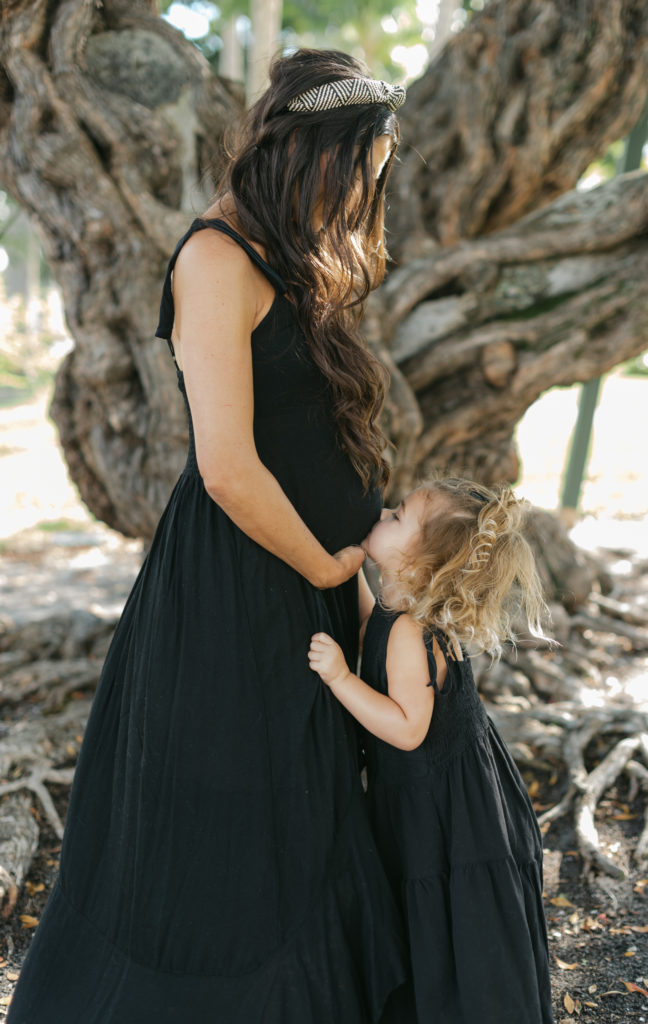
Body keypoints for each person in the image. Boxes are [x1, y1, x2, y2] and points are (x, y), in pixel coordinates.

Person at [7, 49, 411, 1023]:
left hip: (313, 574)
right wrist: (325, 562)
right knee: (240, 827)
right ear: (305, 150)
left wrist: (352, 576)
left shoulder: (287, 253)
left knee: (307, 821)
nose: (364, 192)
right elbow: (228, 464)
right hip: (242, 582)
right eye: (359, 167)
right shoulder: (214, 259)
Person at [308, 478, 556, 1024]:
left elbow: (405, 729)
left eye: (398, 517)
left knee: (452, 911)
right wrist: (347, 575)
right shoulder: (397, 613)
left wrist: (340, 678)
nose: (386, 512)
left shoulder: (411, 634)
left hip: (445, 804)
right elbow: (371, 621)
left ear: (421, 564)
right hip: (439, 788)